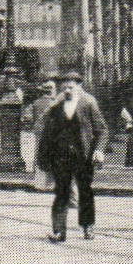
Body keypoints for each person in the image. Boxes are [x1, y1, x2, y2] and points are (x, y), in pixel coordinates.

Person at [35, 70, 108, 242]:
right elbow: (46, 130)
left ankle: (88, 226)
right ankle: (59, 231)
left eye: (70, 87)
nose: (67, 90)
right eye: (64, 88)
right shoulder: (57, 105)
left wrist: (99, 150)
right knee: (61, 192)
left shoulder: (88, 102)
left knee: (85, 191)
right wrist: (43, 156)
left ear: (79, 86)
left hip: (83, 156)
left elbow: (102, 130)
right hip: (61, 156)